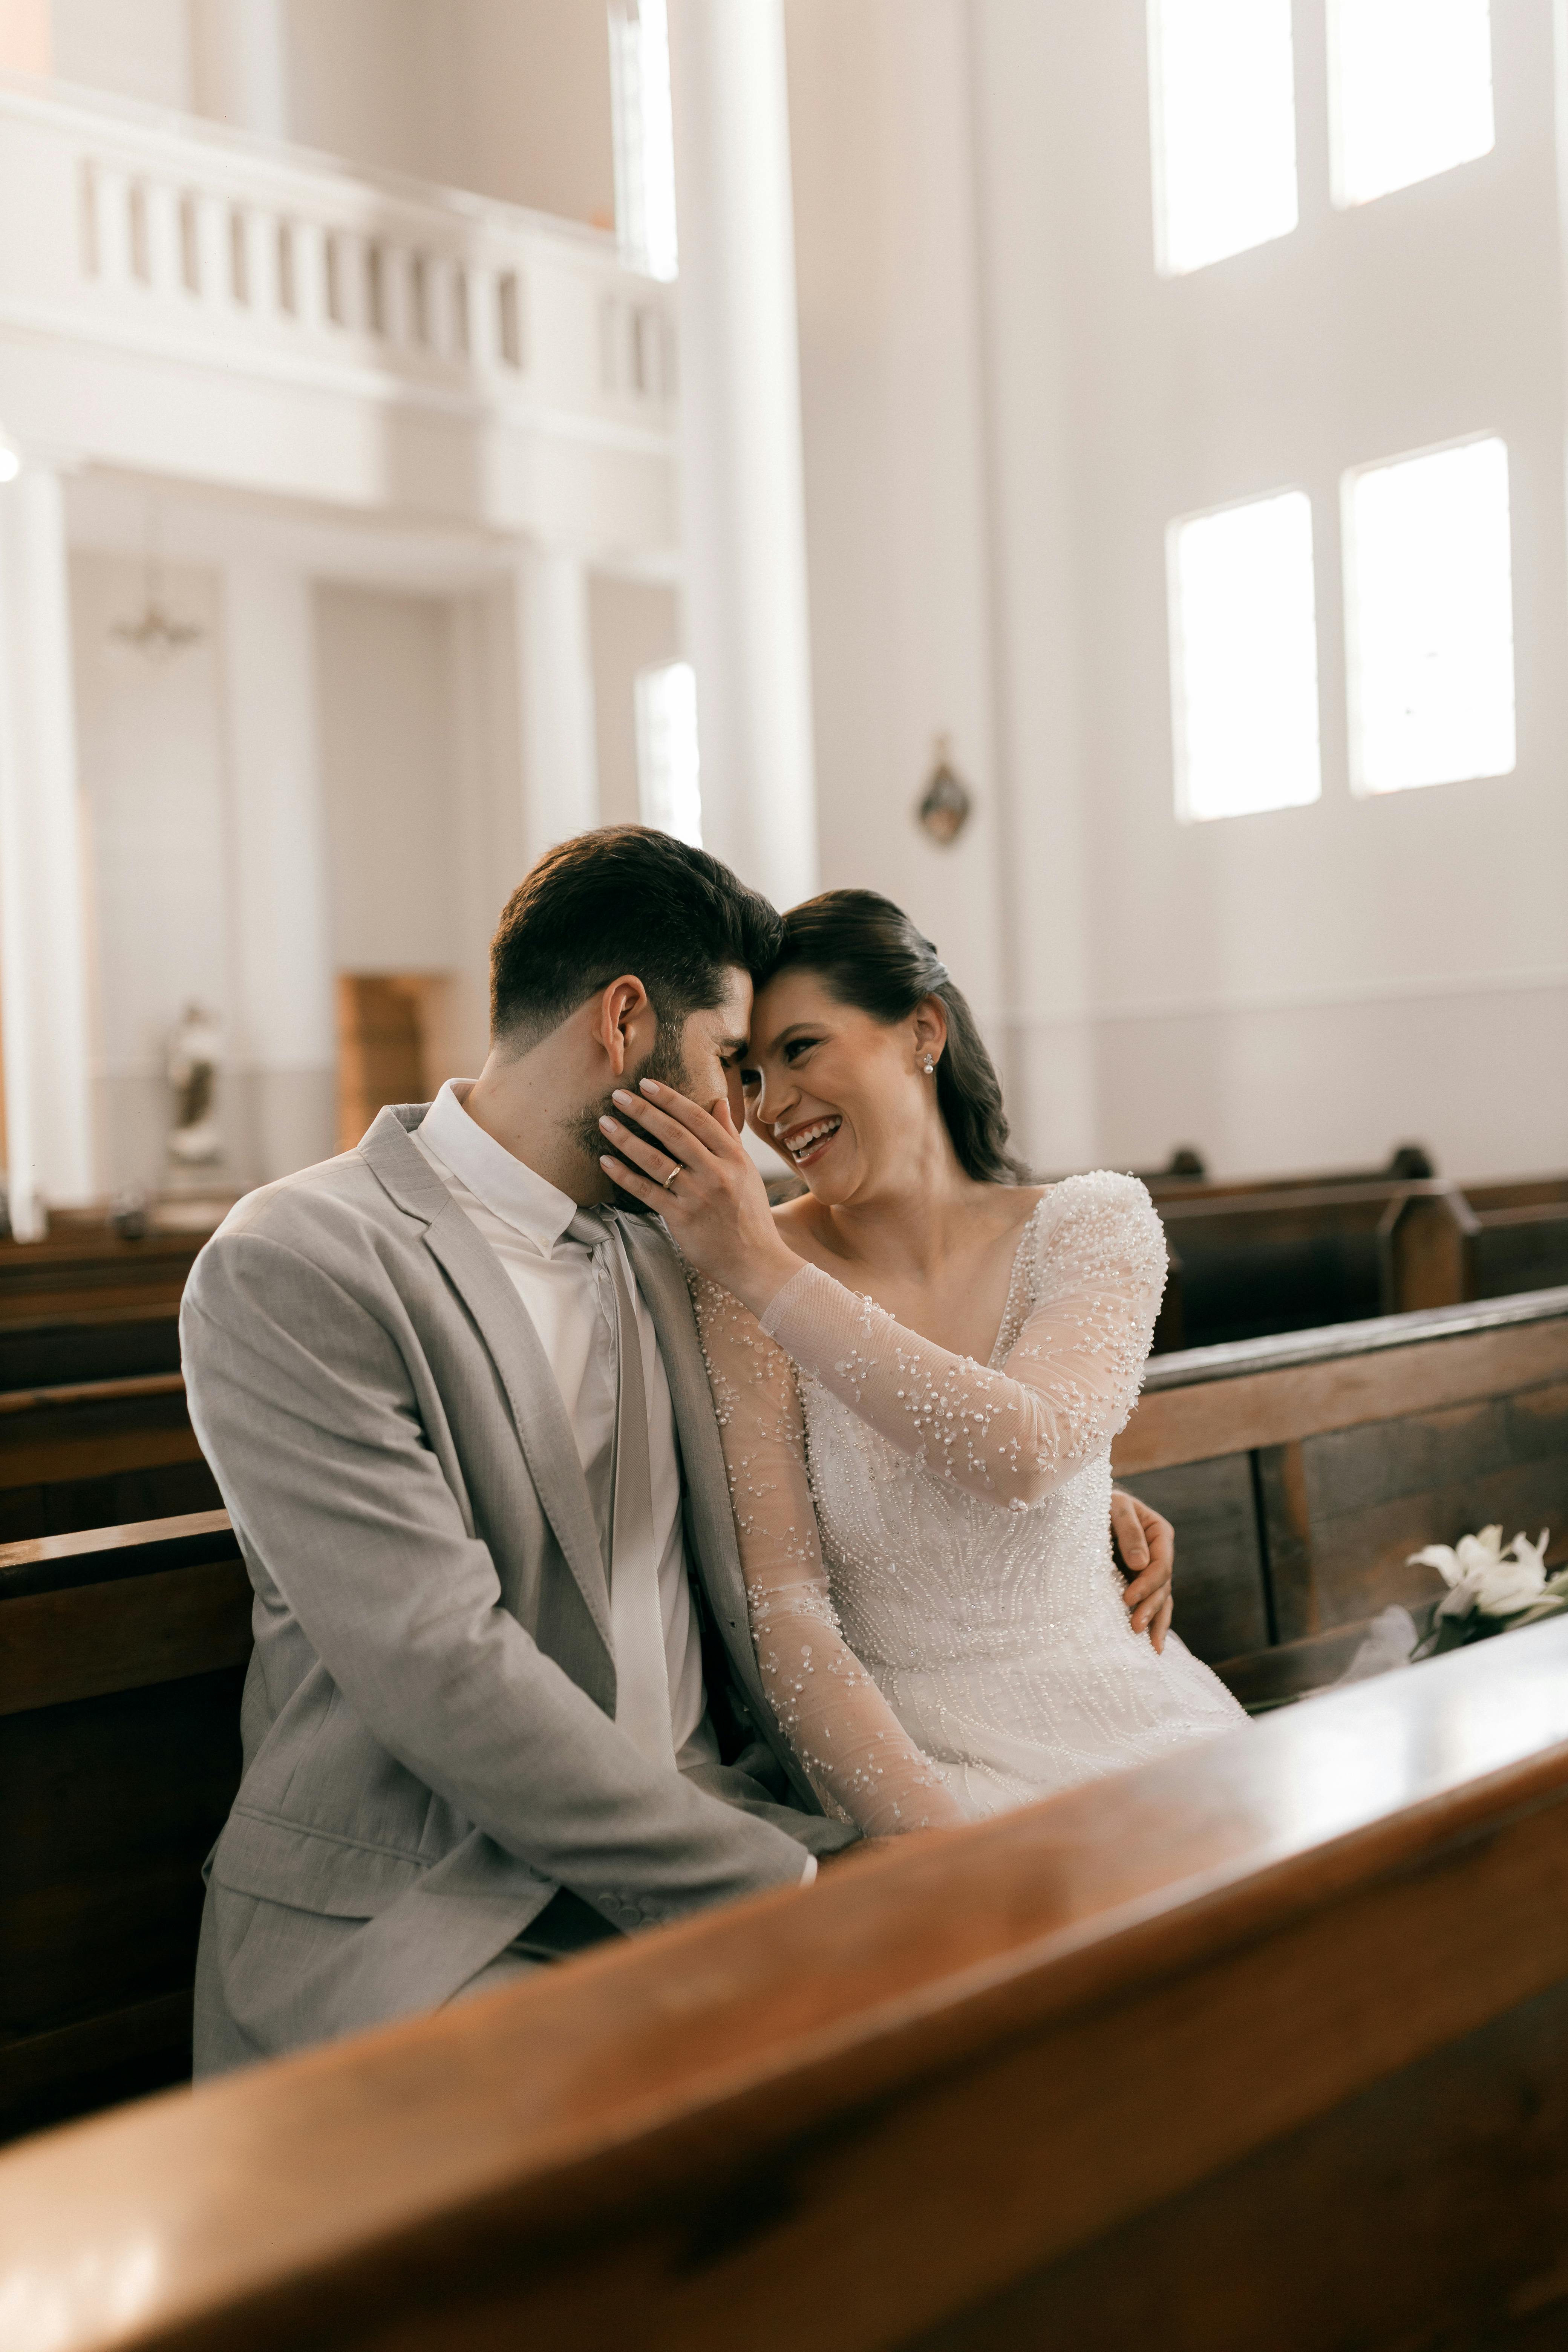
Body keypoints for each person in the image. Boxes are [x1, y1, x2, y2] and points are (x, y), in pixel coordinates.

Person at [184, 834, 1181, 2071]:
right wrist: (783, 1886)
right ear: (622, 1023)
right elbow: (441, 1666)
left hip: (732, 1812)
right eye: (727, 1064)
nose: (743, 1126)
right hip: (439, 1901)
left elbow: (845, 1440)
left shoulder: (680, 1241)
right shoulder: (301, 1259)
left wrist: (1082, 1502)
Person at [598, 888, 1246, 1832]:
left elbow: (1026, 1452)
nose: (771, 1108)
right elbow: (785, 1612)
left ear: (922, 1030)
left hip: (1140, 1715)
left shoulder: (1096, 1226)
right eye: (746, 1072)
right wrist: (935, 1846)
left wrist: (764, 1271)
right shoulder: (738, 1271)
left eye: (801, 1049)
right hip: (918, 1766)